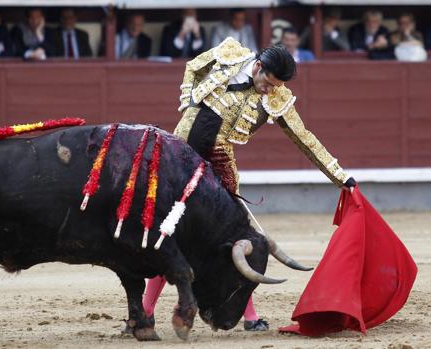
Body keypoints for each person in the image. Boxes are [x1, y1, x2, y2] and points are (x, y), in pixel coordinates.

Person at [137, 38, 357, 334]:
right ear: (257, 66)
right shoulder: (230, 54)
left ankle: (250, 316)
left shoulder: (276, 97)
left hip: (219, 163)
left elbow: (304, 137)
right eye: (268, 81)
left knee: (237, 237)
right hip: (181, 152)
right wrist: (188, 100)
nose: (270, 89)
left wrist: (340, 177)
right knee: (169, 230)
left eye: (276, 85)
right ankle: (145, 313)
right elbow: (193, 66)